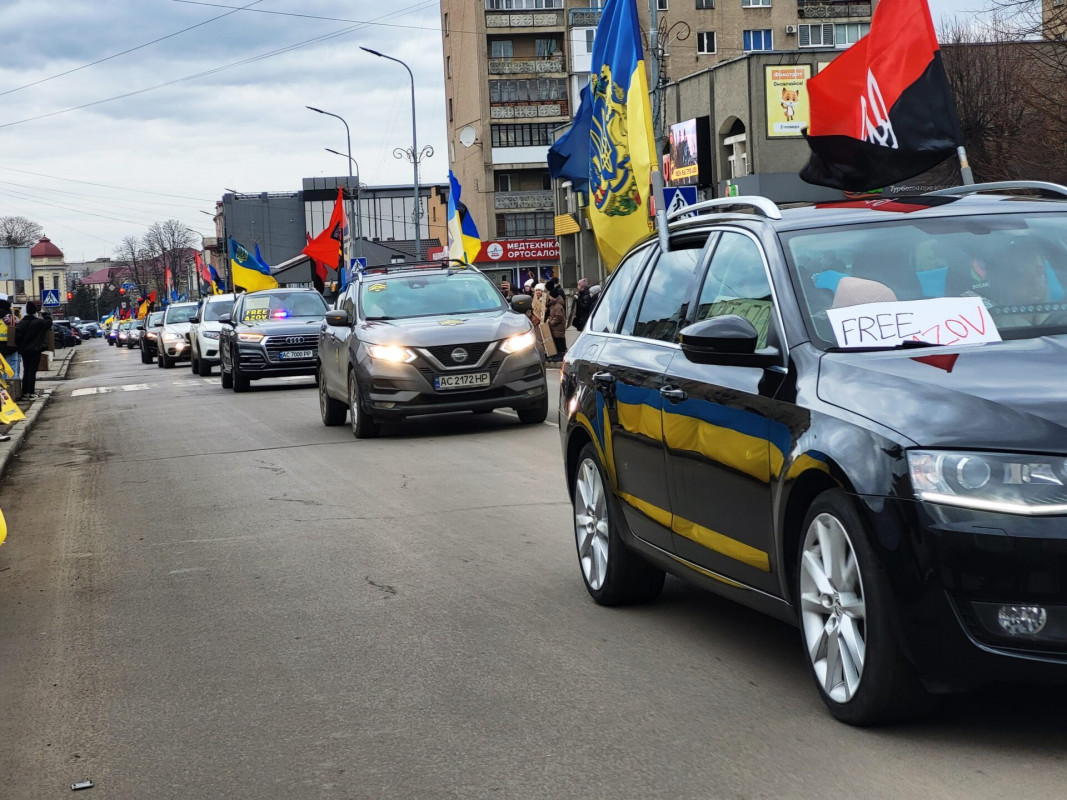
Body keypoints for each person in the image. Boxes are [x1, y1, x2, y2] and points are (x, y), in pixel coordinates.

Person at [14, 302, 50, 400]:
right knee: (32, 371)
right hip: (35, 350)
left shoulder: (21, 323)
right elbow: (49, 322)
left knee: (26, 370)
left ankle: (25, 392)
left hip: (24, 351)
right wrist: (44, 314)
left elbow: (16, 338)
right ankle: (31, 392)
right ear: (34, 311)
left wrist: (20, 348)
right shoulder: (38, 322)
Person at [546, 282, 567, 361]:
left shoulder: (558, 306)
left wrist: (551, 323)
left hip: (557, 328)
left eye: (550, 296)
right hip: (555, 328)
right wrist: (549, 318)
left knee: (559, 343)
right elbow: (552, 315)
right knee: (557, 342)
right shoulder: (553, 304)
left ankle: (560, 356)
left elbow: (558, 317)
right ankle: (557, 355)